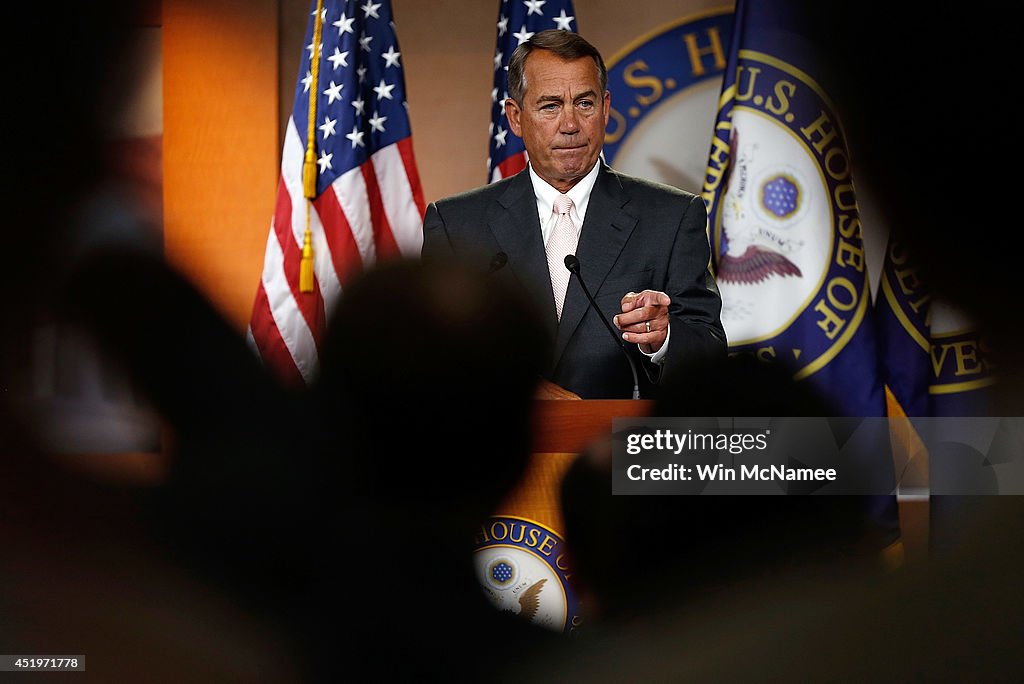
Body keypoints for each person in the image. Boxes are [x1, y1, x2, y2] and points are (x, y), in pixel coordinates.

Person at [422, 30, 725, 399]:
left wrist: (663, 338)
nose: (570, 124)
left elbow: (709, 351)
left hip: (622, 449)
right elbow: (429, 357)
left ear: (606, 107)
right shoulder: (457, 225)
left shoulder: (673, 216)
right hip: (500, 451)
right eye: (550, 106)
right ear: (516, 117)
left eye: (584, 103)